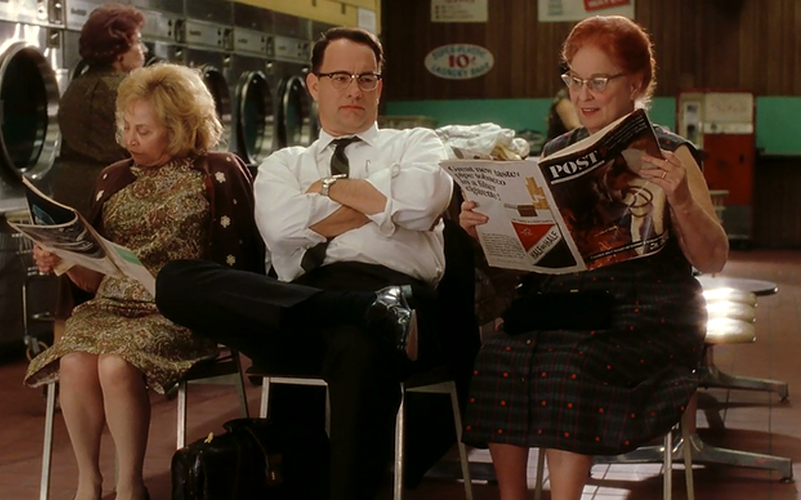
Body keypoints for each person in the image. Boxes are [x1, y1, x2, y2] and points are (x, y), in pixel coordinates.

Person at [154, 27, 471, 500]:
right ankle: (364, 310)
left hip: (400, 297)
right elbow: (281, 228)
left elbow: (423, 202)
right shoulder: (284, 162)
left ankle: (369, 315)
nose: (354, 89)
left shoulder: (416, 144)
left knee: (358, 348)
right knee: (174, 280)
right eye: (340, 77)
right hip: (302, 303)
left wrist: (326, 189)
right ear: (314, 85)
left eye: (366, 78)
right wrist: (381, 202)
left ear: (380, 86)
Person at [458, 15, 729, 500]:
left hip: (646, 310)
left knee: (570, 365)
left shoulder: (671, 153)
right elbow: (534, 257)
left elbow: (713, 259)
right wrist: (486, 231)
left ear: (636, 84)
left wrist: (682, 200)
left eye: (598, 82)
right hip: (569, 304)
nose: (583, 95)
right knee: (498, 356)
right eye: (574, 79)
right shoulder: (558, 150)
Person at [24, 63, 262, 500]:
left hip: (178, 308)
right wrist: (62, 258)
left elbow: (243, 260)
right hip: (110, 306)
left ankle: (130, 486)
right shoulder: (113, 177)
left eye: (143, 131)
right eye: (126, 128)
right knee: (74, 361)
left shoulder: (217, 170)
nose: (129, 140)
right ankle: (88, 482)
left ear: (179, 129)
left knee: (115, 364)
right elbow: (92, 279)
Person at [54, 4, 146, 214]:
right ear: (119, 52)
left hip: (69, 192)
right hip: (114, 193)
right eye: (138, 42)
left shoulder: (74, 87)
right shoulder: (129, 91)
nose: (144, 50)